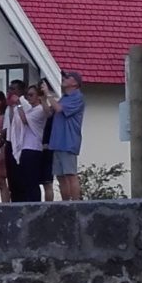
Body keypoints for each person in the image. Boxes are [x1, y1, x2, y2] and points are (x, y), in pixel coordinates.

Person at [4, 79, 47, 202]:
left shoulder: (38, 109)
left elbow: (24, 120)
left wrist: (18, 103)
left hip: (33, 147)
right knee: (24, 180)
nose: (29, 97)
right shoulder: (30, 108)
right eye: (28, 95)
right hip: (23, 146)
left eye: (31, 95)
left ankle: (34, 204)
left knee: (31, 181)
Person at [48, 70, 87, 200]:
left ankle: (75, 203)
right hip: (57, 142)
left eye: (68, 77)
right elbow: (50, 111)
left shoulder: (78, 97)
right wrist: (43, 98)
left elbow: (59, 109)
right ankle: (65, 204)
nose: (64, 79)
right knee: (60, 176)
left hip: (68, 141)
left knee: (70, 174)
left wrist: (48, 94)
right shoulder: (64, 97)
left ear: (75, 83)